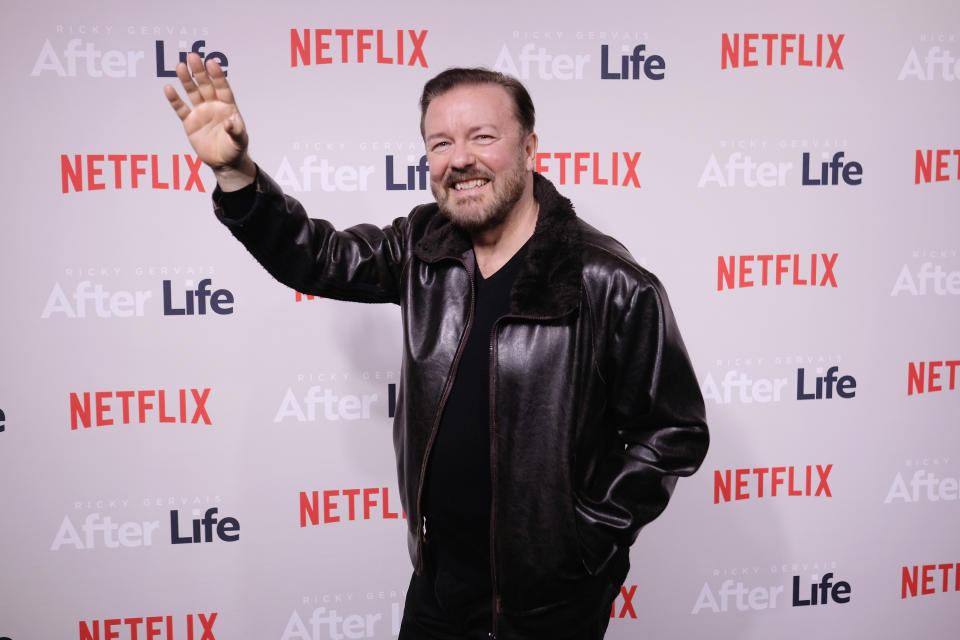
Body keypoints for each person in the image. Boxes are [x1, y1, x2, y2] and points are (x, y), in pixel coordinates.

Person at [164, 53, 708, 640]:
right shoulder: (423, 246)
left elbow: (672, 431)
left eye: (482, 137)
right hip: (439, 589)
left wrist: (584, 539)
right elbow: (317, 258)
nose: (460, 159)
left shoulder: (608, 281)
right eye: (440, 143)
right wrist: (238, 173)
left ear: (529, 150)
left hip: (550, 606)